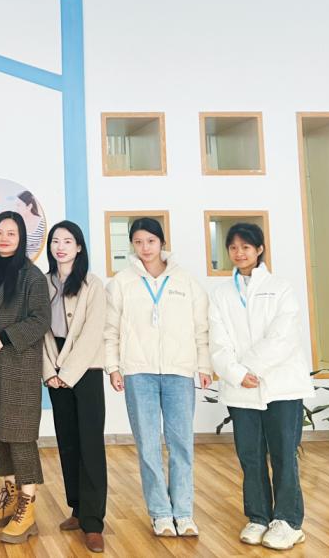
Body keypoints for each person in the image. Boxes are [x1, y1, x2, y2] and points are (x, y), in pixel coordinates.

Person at [104, 217, 211, 538]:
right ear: (132, 245)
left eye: (150, 241)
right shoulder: (122, 282)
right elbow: (110, 329)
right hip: (139, 373)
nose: (145, 248)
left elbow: (201, 328)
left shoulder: (185, 281)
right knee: (148, 447)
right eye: (138, 242)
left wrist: (204, 366)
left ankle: (184, 513)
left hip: (179, 372)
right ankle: (161, 513)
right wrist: (113, 367)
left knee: (182, 445)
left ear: (162, 242)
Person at [209, 223, 313, 551]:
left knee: (283, 454)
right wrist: (236, 373)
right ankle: (258, 517)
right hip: (241, 388)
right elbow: (218, 341)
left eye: (246, 247)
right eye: (233, 247)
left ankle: (288, 521)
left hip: (280, 385)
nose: (239, 253)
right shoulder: (221, 294)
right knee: (250, 456)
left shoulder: (281, 288)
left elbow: (284, 336)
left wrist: (249, 368)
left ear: (259, 249)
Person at [0, 211, 51, 544]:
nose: (4, 239)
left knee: (20, 437)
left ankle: (27, 509)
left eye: (11, 233)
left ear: (21, 239)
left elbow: (40, 320)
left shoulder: (32, 276)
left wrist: (3, 338)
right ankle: (10, 496)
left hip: (19, 365)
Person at [42, 221, 107, 554]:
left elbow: (93, 332)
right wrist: (48, 372)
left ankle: (94, 523)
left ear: (79, 247)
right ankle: (78, 510)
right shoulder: (42, 283)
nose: (61, 246)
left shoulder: (93, 285)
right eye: (56, 241)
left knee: (90, 443)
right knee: (67, 441)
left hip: (86, 368)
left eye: (68, 241)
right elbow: (40, 332)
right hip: (53, 367)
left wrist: (67, 372)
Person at [16, 190, 46, 258]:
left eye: (19, 205)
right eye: (16, 205)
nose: (16, 208)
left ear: (29, 206)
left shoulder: (42, 224)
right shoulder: (16, 223)